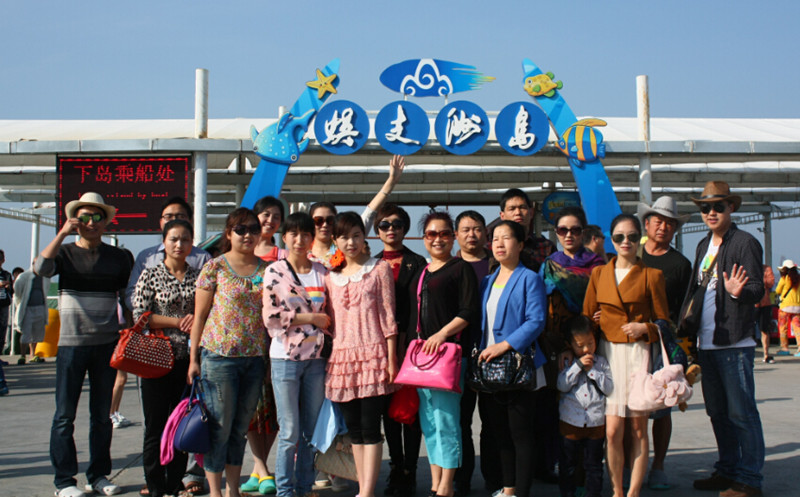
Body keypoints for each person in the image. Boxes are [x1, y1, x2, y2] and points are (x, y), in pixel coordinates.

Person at [35, 192, 132, 497]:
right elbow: (40, 268)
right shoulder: (64, 253)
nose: (91, 223)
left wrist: (130, 332)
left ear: (106, 221)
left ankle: (98, 476)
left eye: (97, 217)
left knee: (102, 416)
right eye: (85, 217)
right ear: (76, 220)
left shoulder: (119, 257)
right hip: (71, 344)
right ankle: (64, 481)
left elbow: (126, 298)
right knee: (65, 416)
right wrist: (62, 232)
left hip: (107, 343)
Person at [682, 181, 765, 497]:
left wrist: (738, 292)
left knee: (742, 414)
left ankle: (749, 480)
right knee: (717, 413)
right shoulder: (703, 245)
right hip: (707, 343)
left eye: (718, 206)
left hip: (734, 342)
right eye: (705, 207)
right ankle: (727, 470)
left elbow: (757, 289)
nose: (711, 212)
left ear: (731, 207)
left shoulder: (745, 243)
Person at [125, 195, 210, 497]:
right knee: (155, 425)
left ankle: (175, 483)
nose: (179, 244)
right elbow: (140, 316)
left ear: (191, 243)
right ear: (164, 242)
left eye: (185, 239)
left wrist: (194, 324)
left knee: (181, 422)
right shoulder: (150, 274)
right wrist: (177, 321)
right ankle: (155, 485)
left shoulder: (200, 277)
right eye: (173, 239)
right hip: (156, 358)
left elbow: (206, 314)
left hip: (188, 360)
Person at [582, 212, 670, 497]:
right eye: (619, 237)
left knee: (638, 429)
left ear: (640, 238)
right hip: (608, 355)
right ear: (611, 239)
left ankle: (632, 492)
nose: (626, 242)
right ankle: (617, 491)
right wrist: (594, 323)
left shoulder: (652, 276)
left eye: (632, 236)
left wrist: (645, 327)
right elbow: (586, 318)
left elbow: (665, 324)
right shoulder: (599, 274)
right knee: (611, 431)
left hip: (637, 354)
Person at [188, 208, 270, 497]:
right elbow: (199, 317)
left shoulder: (268, 270)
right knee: (220, 427)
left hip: (254, 359)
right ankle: (215, 491)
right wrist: (193, 359)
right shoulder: (215, 267)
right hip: (219, 357)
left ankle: (232, 489)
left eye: (253, 229)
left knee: (239, 428)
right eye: (240, 229)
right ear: (228, 233)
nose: (247, 235)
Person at [325, 212, 399, 497]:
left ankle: (367, 491)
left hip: (373, 355)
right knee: (354, 429)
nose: (351, 242)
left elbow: (388, 316)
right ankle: (362, 487)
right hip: (342, 359)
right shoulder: (330, 277)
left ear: (364, 236)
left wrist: (391, 359)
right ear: (335, 241)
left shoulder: (379, 269)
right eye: (344, 237)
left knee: (370, 428)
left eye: (356, 235)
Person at [407, 211, 479, 497]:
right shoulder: (422, 272)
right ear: (424, 238)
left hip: (448, 357)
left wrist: (441, 334)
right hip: (423, 359)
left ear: (453, 237)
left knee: (447, 421)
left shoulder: (461, 269)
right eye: (431, 234)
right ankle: (436, 482)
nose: (438, 239)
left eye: (444, 233)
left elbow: (468, 311)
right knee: (429, 423)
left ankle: (448, 485)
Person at [262, 212, 331, 497]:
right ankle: (285, 490)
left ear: (312, 238)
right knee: (289, 430)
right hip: (285, 358)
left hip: (316, 359)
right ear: (285, 237)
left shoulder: (323, 272)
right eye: (293, 234)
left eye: (305, 234)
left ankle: (304, 487)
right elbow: (271, 317)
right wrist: (311, 318)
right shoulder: (275, 271)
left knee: (311, 430)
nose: (300, 239)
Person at [477, 220, 547, 497]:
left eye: (506, 238)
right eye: (495, 238)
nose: (500, 243)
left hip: (518, 365)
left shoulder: (530, 278)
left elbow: (536, 321)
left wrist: (504, 346)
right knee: (500, 433)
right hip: (490, 368)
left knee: (521, 434)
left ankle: (522, 491)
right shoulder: (487, 281)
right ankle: (508, 488)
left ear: (520, 245)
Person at [537, 207, 604, 486]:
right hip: (558, 346)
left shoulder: (598, 265)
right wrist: (561, 345)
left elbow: (607, 300)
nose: (568, 235)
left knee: (593, 404)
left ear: (583, 232)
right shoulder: (549, 265)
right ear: (556, 233)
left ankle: (587, 473)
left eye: (575, 230)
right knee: (559, 407)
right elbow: (542, 308)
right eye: (563, 230)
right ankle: (559, 469)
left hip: (593, 343)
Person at [637, 196, 692, 490]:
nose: (663, 227)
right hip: (630, 341)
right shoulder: (631, 255)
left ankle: (658, 466)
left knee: (662, 407)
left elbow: (684, 309)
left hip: (662, 343)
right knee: (633, 407)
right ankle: (634, 465)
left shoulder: (681, 264)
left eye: (670, 223)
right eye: (658, 221)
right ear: (646, 224)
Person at [374, 204, 427, 497]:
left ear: (405, 229)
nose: (391, 229)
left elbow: (420, 305)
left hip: (410, 346)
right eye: (384, 224)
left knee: (410, 410)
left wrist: (409, 340)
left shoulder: (417, 262)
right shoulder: (371, 264)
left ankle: (410, 470)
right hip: (379, 348)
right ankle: (396, 467)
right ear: (377, 231)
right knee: (388, 412)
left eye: (396, 224)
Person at [239, 195, 285, 496]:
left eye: (276, 216)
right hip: (246, 340)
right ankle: (262, 468)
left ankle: (260, 470)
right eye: (265, 215)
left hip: (277, 340)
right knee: (251, 409)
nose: (270, 220)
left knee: (273, 409)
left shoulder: (283, 256)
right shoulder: (240, 252)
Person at [308, 155, 405, 269]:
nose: (324, 225)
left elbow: (370, 213)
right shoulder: (301, 249)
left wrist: (391, 181)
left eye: (330, 220)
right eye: (318, 220)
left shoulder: (346, 244)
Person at [454, 210, 491, 495]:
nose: (471, 234)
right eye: (465, 229)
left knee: (492, 423)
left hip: (493, 353)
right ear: (456, 235)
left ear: (485, 233)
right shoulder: (449, 266)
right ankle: (462, 480)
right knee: (461, 421)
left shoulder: (497, 264)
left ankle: (495, 479)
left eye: (477, 229)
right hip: (460, 354)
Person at [557, 315, 612, 497]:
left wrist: (593, 371)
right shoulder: (568, 362)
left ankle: (593, 493)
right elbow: (562, 385)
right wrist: (577, 367)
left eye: (590, 343)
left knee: (594, 464)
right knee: (568, 463)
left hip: (595, 423)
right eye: (580, 346)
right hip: (570, 422)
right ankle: (567, 493)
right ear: (570, 345)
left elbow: (609, 388)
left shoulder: (601, 363)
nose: (587, 349)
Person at [491, 188, 556, 273]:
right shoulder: (493, 247)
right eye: (512, 209)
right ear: (502, 216)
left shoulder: (546, 247)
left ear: (531, 212)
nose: (518, 212)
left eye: (522, 207)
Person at [13, 266, 48, 364]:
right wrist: (19, 303)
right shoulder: (24, 276)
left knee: (37, 332)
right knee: (26, 332)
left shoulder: (45, 277)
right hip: (27, 308)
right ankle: (22, 355)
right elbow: (17, 290)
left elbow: (45, 290)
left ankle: (33, 354)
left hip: (40, 307)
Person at [775, 259, 800, 356]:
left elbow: (777, 291)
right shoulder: (798, 279)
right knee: (797, 328)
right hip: (797, 307)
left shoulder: (784, 279)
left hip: (785, 307)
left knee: (783, 328)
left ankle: (785, 348)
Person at [756, 265, 775, 363]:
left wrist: (759, 280)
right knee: (747, 329)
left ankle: (766, 354)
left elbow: (771, 282)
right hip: (750, 303)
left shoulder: (766, 269)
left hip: (765, 302)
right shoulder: (747, 267)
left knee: (764, 329)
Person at [0, 249, 13, 360]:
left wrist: (9, 287)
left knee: (2, 330)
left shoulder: (6, 275)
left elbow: (12, 291)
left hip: (4, 305)